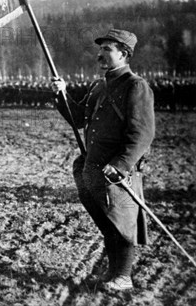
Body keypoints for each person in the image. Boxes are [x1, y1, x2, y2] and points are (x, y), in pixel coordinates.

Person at [51, 29, 155, 291]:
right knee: (108, 223)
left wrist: (121, 165)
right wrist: (61, 95)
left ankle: (124, 276)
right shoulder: (99, 86)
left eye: (107, 49)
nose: (100, 53)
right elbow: (78, 119)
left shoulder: (136, 86)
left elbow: (142, 133)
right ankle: (112, 273)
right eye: (101, 48)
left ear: (124, 54)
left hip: (117, 171)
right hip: (94, 168)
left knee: (122, 223)